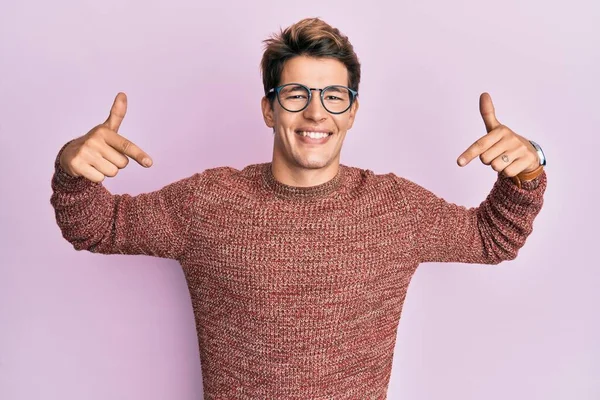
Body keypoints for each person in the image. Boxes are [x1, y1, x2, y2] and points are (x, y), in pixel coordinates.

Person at [50, 17, 547, 399]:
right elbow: (98, 226)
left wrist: (528, 172)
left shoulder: (396, 210)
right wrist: (72, 170)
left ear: (352, 111)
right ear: (268, 109)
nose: (315, 112)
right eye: (295, 95)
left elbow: (491, 239)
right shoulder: (207, 204)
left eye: (334, 96)